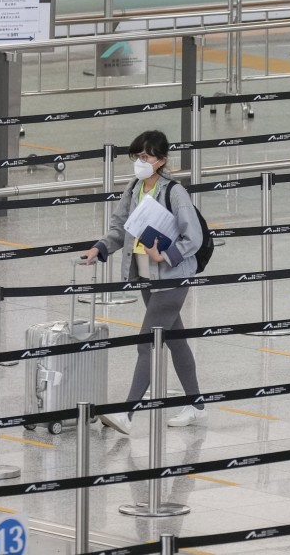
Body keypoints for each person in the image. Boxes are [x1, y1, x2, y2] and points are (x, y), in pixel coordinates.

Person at [81, 130, 206, 433]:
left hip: (172, 278)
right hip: (146, 277)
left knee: (146, 342)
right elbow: (120, 226)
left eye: (147, 157)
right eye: (138, 156)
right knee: (175, 341)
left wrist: (166, 255)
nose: (141, 161)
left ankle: (127, 412)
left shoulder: (173, 192)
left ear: (161, 160)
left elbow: (195, 237)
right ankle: (197, 405)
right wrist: (100, 247)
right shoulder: (135, 187)